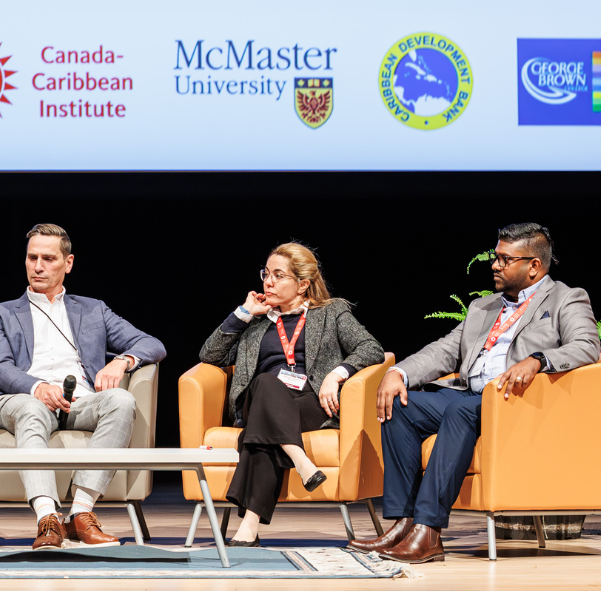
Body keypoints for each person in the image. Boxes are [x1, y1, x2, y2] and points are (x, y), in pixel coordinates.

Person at [349, 223, 600, 564]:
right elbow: (445, 350)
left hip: (514, 402)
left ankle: (429, 531)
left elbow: (587, 345)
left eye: (504, 259)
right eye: (495, 257)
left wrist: (539, 360)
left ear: (534, 266)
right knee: (401, 405)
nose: (495, 265)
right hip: (470, 394)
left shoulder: (566, 299)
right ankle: (404, 523)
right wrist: (399, 372)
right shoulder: (484, 306)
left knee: (461, 412)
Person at [0, 224, 167, 550]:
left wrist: (121, 361)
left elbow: (151, 344)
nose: (38, 266)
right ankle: (48, 519)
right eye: (32, 257)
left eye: (49, 258)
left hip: (80, 401)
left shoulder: (93, 310)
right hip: (25, 400)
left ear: (68, 263)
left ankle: (81, 515)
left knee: (121, 400)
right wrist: (36, 386)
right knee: (31, 409)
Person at [199, 242, 384, 547]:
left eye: (277, 275)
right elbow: (210, 355)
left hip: (308, 402)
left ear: (302, 284)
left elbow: (371, 348)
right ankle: (299, 457)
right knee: (266, 383)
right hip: (258, 399)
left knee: (260, 433)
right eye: (265, 274)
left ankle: (249, 526)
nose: (267, 282)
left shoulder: (331, 313)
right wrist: (243, 313)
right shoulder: (256, 320)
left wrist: (336, 375)